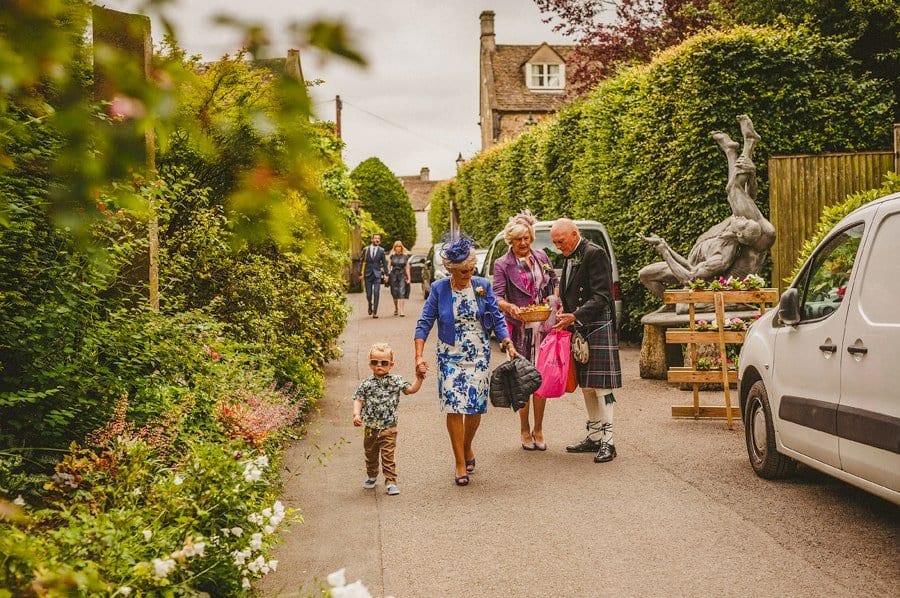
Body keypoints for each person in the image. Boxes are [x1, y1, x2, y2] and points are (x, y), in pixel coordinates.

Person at [414, 236, 516, 486]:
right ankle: (459, 461)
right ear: (451, 269)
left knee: (474, 407)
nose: (468, 275)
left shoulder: (482, 285)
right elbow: (425, 322)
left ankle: (467, 445)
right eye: (462, 271)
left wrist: (507, 342)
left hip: (479, 354)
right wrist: (419, 355)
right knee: (454, 406)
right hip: (450, 354)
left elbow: (496, 316)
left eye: (471, 270)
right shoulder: (439, 289)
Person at [638, 114, 775, 299]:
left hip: (700, 277)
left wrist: (664, 252)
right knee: (645, 274)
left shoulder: (722, 256)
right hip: (695, 267)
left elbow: (690, 277)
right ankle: (732, 151)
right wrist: (666, 247)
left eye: (742, 222)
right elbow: (749, 198)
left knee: (733, 189)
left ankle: (748, 143)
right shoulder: (734, 225)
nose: (740, 217)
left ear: (740, 234)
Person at [550, 218, 622, 463]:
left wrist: (576, 315)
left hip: (597, 324)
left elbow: (603, 294)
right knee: (588, 385)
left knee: (602, 386)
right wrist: (565, 313)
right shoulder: (570, 255)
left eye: (561, 241)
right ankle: (593, 437)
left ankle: (608, 442)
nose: (558, 246)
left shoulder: (595, 253)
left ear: (573, 233)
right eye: (555, 242)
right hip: (580, 326)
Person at [491, 211, 558, 451]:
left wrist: (554, 302)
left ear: (531, 237)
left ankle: (538, 428)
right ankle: (524, 428)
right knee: (522, 380)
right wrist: (510, 307)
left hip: (543, 328)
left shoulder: (541, 257)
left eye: (526, 238)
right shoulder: (502, 264)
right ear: (510, 241)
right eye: (518, 239)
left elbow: (553, 284)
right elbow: (496, 296)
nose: (523, 243)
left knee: (541, 378)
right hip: (520, 329)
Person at [352, 342, 424, 496]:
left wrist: (419, 379)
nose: (379, 366)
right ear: (370, 364)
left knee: (388, 455)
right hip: (370, 427)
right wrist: (356, 414)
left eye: (384, 363)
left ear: (391, 364)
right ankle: (372, 475)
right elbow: (358, 399)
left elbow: (410, 390)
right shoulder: (366, 384)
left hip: (388, 427)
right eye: (375, 362)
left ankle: (391, 481)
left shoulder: (396, 380)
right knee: (370, 454)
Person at [361, 233, 389, 318]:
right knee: (368, 294)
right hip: (367, 274)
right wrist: (360, 273)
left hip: (377, 274)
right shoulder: (366, 250)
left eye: (378, 239)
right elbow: (361, 261)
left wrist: (386, 275)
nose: (377, 240)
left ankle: (375, 312)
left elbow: (384, 264)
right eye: (375, 238)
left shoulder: (381, 250)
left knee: (376, 292)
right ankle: (370, 304)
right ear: (372, 239)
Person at [388, 240, 412, 317]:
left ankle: (402, 310)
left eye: (399, 247)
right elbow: (388, 267)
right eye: (396, 247)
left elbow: (407, 267)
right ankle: (396, 308)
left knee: (402, 291)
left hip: (402, 275)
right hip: (393, 275)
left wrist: (409, 278)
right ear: (394, 248)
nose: (398, 248)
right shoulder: (392, 256)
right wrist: (387, 275)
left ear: (401, 247)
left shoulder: (405, 257)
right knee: (394, 292)